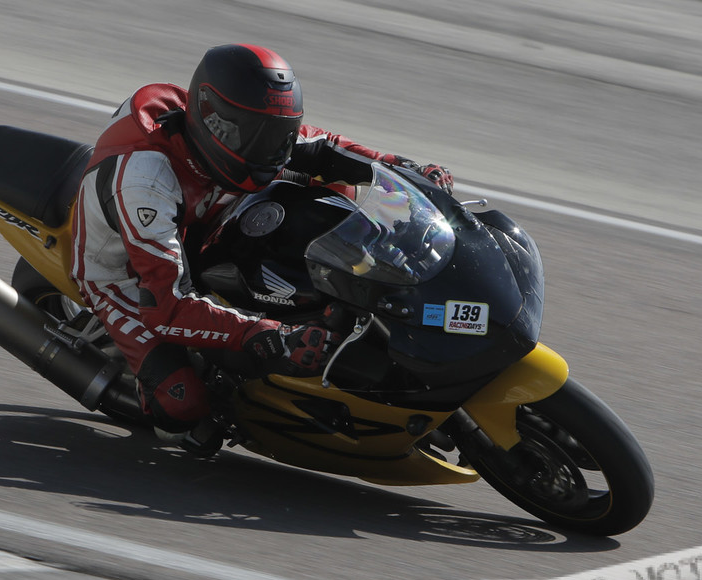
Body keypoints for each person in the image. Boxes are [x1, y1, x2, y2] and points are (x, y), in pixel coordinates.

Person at [69, 43, 453, 433]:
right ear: (213, 123)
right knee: (183, 404)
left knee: (339, 201)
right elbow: (167, 306)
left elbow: (321, 147)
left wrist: (401, 168)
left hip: (207, 215)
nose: (273, 149)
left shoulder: (243, 128)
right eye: (258, 137)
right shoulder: (145, 182)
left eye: (279, 133)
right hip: (125, 276)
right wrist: (269, 335)